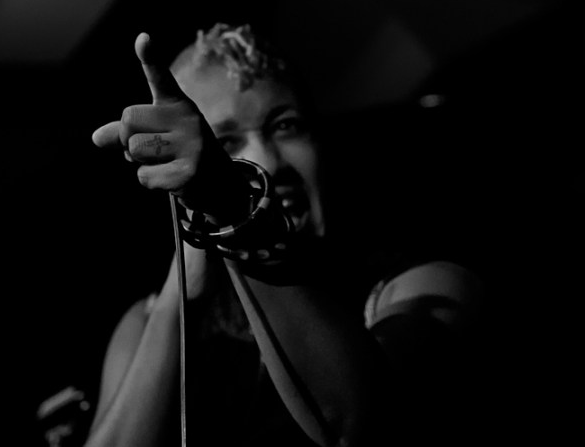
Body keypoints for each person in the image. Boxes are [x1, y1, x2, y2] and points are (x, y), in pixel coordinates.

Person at [85, 24, 485, 447]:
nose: (269, 162)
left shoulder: (423, 284)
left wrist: (234, 208)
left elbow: (356, 427)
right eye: (225, 143)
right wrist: (175, 303)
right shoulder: (146, 320)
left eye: (286, 126)